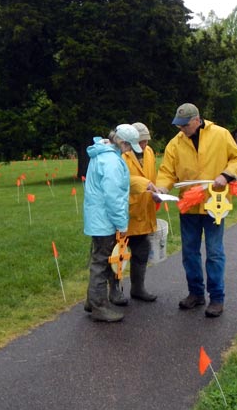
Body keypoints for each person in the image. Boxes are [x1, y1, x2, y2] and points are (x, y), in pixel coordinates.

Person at [157, 103, 237, 318]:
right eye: (179, 126)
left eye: (185, 125)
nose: (182, 130)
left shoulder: (220, 134)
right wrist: (162, 187)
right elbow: (167, 172)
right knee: (189, 252)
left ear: (197, 120)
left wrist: (225, 175)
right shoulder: (175, 144)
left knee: (214, 252)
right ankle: (196, 294)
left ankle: (217, 298)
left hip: (215, 205)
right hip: (188, 206)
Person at [83, 123, 142, 322]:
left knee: (98, 259)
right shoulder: (112, 162)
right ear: (122, 142)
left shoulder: (102, 154)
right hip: (105, 221)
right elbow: (114, 197)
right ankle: (99, 307)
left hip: (97, 218)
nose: (130, 150)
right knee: (102, 262)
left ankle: (92, 301)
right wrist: (122, 225)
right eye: (129, 146)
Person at [119, 121, 161, 302]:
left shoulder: (150, 152)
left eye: (146, 141)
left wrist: (158, 190)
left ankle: (138, 288)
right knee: (117, 255)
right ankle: (114, 291)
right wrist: (145, 185)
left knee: (142, 250)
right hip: (126, 213)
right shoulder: (122, 154)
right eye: (141, 141)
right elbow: (123, 180)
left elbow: (152, 177)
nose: (144, 145)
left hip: (145, 211)